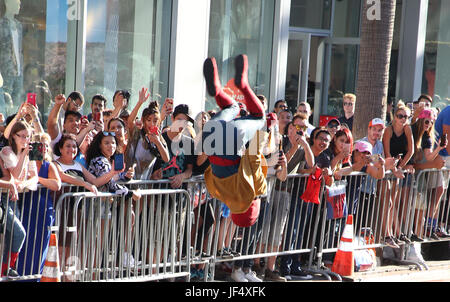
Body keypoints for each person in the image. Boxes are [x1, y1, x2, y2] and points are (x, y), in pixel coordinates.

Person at [16, 133, 61, 278]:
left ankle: (35, 278)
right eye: (39, 145)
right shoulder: (23, 162)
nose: (42, 148)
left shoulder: (49, 166)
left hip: (42, 211)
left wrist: (37, 179)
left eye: (46, 146)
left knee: (39, 248)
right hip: (24, 209)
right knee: (22, 247)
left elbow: (56, 184)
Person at [0, 120, 35, 278]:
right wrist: (23, 154)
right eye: (21, 136)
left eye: (27, 137)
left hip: (16, 198)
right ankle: (7, 268)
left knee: (11, 236)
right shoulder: (7, 151)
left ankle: (7, 269)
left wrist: (23, 183)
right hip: (5, 197)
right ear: (13, 136)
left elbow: (33, 179)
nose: (25, 140)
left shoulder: (27, 153)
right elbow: (15, 175)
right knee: (19, 233)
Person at [412, 109, 449, 239]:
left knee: (420, 207)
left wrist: (439, 148)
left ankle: (421, 232)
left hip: (418, 176)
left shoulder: (427, 137)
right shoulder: (412, 131)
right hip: (408, 172)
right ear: (421, 120)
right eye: (427, 121)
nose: (428, 124)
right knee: (407, 208)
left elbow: (428, 157)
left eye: (431, 122)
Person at [382, 101, 415, 246]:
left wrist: (400, 167)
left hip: (397, 167)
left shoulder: (407, 129)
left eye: (406, 117)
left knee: (393, 203)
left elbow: (411, 151)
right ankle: (388, 234)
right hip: (387, 167)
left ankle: (396, 233)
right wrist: (393, 168)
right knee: (387, 202)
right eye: (400, 116)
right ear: (394, 117)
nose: (403, 119)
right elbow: (387, 151)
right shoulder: (388, 130)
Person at [125, 87, 170, 180]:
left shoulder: (159, 138)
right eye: (148, 120)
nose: (152, 124)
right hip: (127, 180)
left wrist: (158, 142)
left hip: (144, 185)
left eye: (155, 120)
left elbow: (166, 159)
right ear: (143, 120)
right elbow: (130, 122)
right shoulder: (138, 133)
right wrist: (140, 102)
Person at [154, 104, 195, 189]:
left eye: (185, 122)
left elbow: (189, 170)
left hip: (179, 195)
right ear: (172, 118)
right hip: (158, 193)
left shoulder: (189, 142)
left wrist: (182, 176)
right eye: (179, 120)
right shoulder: (160, 138)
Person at [0, 0, 23, 111]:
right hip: (5, 70)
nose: (19, 5)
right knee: (5, 100)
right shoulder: (1, 24)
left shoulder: (19, 26)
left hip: (18, 71)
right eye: (17, 3)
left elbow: (19, 50)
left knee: (16, 104)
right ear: (8, 4)